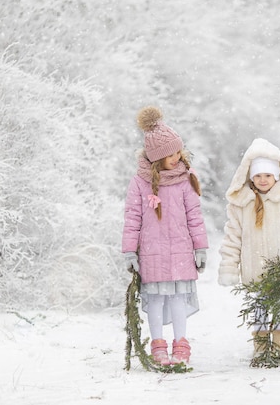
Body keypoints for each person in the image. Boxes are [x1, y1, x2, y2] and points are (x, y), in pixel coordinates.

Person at [122, 106, 208, 366]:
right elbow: (132, 217)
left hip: (181, 251)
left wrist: (200, 248)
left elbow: (195, 215)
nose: (175, 157)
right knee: (157, 300)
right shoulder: (140, 182)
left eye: (177, 151)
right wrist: (129, 251)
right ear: (156, 157)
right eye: (169, 154)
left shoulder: (185, 179)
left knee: (178, 299)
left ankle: (181, 344)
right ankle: (158, 345)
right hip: (152, 253)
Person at [218, 138, 280, 357]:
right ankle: (260, 348)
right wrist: (229, 267)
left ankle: (279, 347)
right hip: (254, 269)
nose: (263, 180)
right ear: (251, 177)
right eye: (258, 175)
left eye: (268, 175)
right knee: (259, 310)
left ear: (276, 176)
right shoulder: (242, 203)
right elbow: (233, 237)